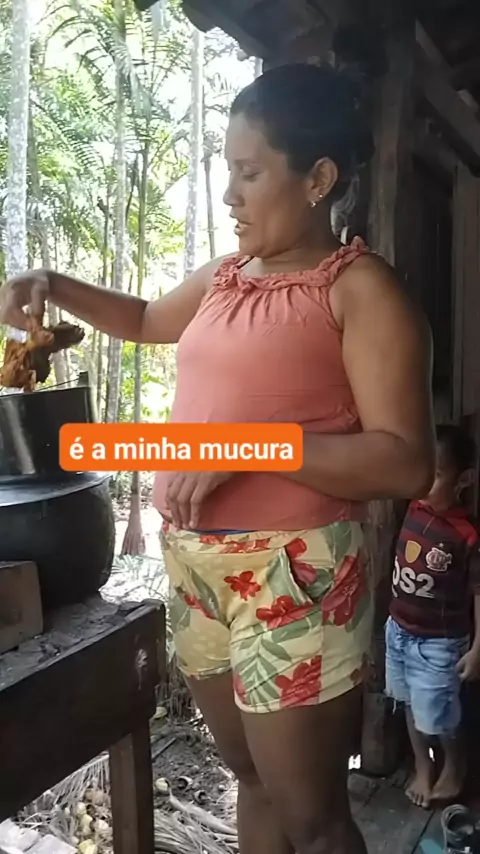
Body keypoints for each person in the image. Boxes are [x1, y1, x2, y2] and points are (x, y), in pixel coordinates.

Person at [0, 63, 434, 854]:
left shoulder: (359, 291)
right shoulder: (225, 277)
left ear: (318, 179)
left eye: (250, 173)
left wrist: (249, 445)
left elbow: (405, 464)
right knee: (253, 782)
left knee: (313, 818)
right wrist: (51, 283)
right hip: (197, 569)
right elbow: (142, 319)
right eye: (225, 170)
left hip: (291, 576)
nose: (230, 194)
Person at [386, 424, 480, 810]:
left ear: (464, 480)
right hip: (398, 630)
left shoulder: (466, 534)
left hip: (438, 643)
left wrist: (478, 648)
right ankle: (423, 768)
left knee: (442, 715)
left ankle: (455, 767)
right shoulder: (413, 507)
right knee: (410, 704)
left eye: (437, 474)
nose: (424, 483)